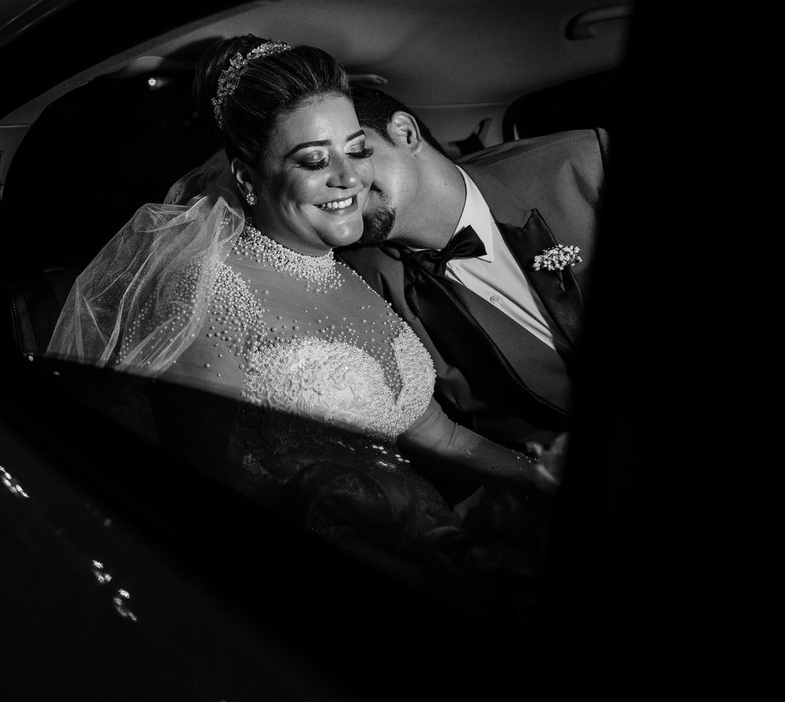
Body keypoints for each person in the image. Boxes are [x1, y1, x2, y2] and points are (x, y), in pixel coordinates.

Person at [47, 35, 561, 565]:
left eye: (357, 150)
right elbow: (190, 499)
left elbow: (445, 440)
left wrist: (544, 480)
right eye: (315, 161)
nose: (351, 177)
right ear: (247, 177)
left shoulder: (358, 274)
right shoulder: (210, 294)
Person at [338, 85, 603, 494]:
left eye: (355, 151)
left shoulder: (585, 164)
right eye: (313, 165)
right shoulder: (361, 286)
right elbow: (441, 441)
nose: (338, 181)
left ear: (405, 133)